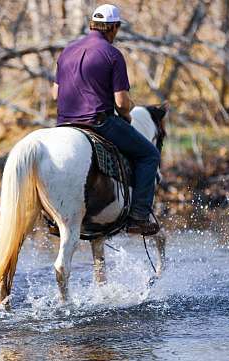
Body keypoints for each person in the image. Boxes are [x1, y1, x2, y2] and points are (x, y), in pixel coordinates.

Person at [52, 3, 161, 236]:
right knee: (149, 154)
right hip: (98, 122)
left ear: (92, 25)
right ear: (113, 28)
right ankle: (138, 217)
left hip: (64, 124)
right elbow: (121, 102)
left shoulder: (67, 50)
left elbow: (55, 93)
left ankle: (53, 218)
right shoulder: (112, 54)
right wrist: (127, 115)